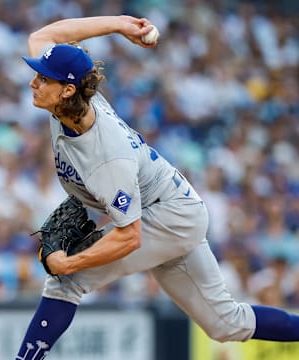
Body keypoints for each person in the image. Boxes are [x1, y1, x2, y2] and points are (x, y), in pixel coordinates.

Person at [16, 15, 299, 360]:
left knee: (65, 283)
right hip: (175, 207)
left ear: (67, 89)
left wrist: (70, 265)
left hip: (167, 217)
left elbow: (130, 237)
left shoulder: (107, 157)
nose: (33, 83)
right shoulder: (71, 104)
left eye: (42, 78)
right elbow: (45, 35)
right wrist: (120, 24)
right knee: (227, 323)